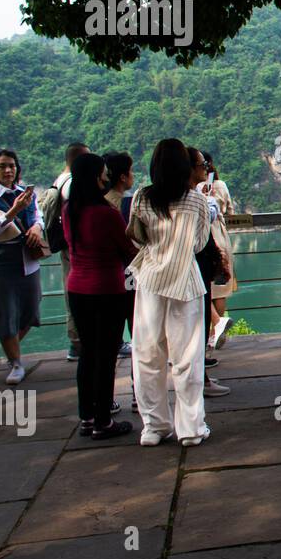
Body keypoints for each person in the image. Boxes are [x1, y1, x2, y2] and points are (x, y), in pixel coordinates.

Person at [126, 139, 213, 446]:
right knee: (187, 358)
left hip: (150, 282)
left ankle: (154, 426)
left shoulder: (142, 197)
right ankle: (190, 428)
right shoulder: (196, 201)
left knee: (148, 355)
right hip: (186, 284)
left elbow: (136, 236)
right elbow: (200, 244)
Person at [62, 153, 136, 440]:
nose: (106, 177)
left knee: (88, 355)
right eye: (103, 173)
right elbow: (127, 250)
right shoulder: (106, 213)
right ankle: (104, 421)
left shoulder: (70, 210)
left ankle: (87, 416)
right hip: (106, 289)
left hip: (77, 289)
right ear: (95, 177)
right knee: (105, 357)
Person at [0, 149, 44, 385]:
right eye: (2, 166)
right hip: (0, 261)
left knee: (30, 309)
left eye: (12, 166)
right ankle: (15, 362)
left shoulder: (25, 193)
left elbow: (37, 216)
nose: (8, 171)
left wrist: (36, 228)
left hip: (27, 258)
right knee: (4, 311)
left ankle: (10, 346)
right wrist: (14, 209)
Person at [187, 147, 231, 396]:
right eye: (201, 164)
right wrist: (207, 200)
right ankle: (202, 371)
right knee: (201, 312)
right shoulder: (199, 198)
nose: (205, 168)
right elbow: (216, 213)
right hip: (201, 257)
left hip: (164, 276)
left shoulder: (147, 197)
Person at [41, 142, 89, 362]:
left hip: (66, 247)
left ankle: (76, 342)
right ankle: (78, 344)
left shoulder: (58, 181)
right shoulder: (71, 185)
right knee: (77, 295)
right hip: (75, 248)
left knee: (72, 293)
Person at [201, 152, 238, 348]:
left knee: (203, 289)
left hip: (204, 242)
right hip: (221, 239)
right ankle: (216, 331)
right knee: (220, 290)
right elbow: (230, 210)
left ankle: (210, 332)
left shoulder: (193, 190)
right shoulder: (221, 185)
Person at [103, 151, 136, 358]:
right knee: (134, 315)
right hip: (128, 269)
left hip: (109, 270)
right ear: (123, 177)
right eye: (131, 171)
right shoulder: (125, 204)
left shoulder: (99, 201)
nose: (132, 175)